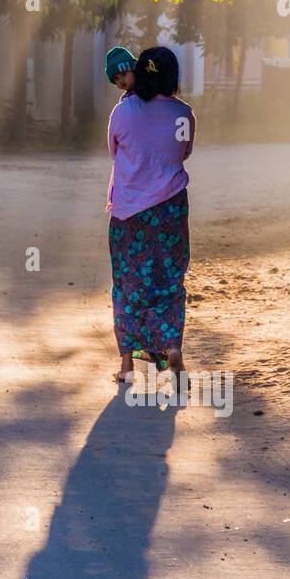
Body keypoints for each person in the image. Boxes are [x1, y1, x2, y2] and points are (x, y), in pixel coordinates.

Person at [107, 46, 195, 395]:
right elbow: (183, 153)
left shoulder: (123, 111)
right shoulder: (184, 114)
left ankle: (128, 365)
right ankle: (172, 350)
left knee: (127, 285)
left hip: (129, 212)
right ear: (172, 77)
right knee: (170, 281)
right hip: (171, 210)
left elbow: (114, 151)